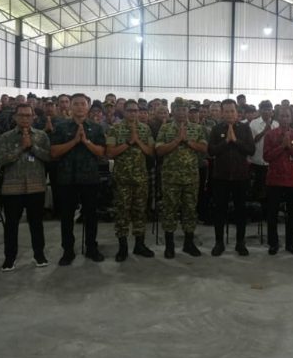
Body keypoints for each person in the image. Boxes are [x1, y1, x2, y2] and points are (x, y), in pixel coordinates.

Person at [51, 93, 107, 265]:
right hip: (67, 178)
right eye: (76, 104)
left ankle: (91, 247)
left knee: (91, 216)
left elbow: (101, 152)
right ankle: (68, 250)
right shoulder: (61, 127)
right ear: (70, 106)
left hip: (90, 178)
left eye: (83, 104)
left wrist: (86, 142)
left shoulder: (96, 128)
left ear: (88, 107)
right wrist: (75, 141)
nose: (80, 107)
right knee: (67, 217)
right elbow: (54, 152)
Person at [0, 103, 51, 271]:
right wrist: (21, 148)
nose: (25, 118)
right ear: (15, 117)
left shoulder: (41, 136)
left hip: (36, 186)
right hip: (12, 188)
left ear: (33, 117)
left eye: (28, 115)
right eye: (21, 115)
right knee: (11, 225)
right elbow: (0, 159)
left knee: (36, 223)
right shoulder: (6, 137)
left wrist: (32, 147)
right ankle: (9, 258)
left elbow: (48, 157)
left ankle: (39, 255)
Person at [156, 98, 207, 258]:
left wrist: (187, 141)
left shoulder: (197, 128)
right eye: (178, 109)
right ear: (173, 111)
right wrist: (177, 140)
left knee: (190, 210)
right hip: (170, 177)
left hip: (191, 177)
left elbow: (204, 148)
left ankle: (188, 243)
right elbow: (159, 150)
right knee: (169, 210)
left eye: (184, 109)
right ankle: (169, 245)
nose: (182, 113)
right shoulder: (165, 128)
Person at [106, 100, 155, 261]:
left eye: (136, 110)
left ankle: (139, 245)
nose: (133, 113)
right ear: (124, 112)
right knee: (122, 213)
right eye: (130, 110)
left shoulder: (145, 129)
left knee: (140, 212)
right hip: (122, 179)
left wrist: (137, 140)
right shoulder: (115, 129)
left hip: (141, 178)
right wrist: (129, 142)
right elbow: (110, 153)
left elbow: (150, 151)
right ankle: (123, 248)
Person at [208, 99, 255, 256]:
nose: (229, 114)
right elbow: (211, 151)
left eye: (232, 111)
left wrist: (235, 141)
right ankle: (219, 242)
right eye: (226, 111)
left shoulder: (245, 128)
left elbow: (251, 150)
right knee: (219, 211)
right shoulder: (216, 129)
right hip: (220, 177)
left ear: (237, 113)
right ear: (222, 113)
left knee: (240, 211)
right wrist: (226, 141)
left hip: (240, 177)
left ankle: (240, 243)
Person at [263, 106, 293, 256]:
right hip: (274, 180)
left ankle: (291, 244)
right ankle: (273, 244)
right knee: (272, 214)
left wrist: (290, 148)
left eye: (287, 116)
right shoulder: (270, 134)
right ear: (277, 117)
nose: (285, 119)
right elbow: (266, 156)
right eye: (282, 116)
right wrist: (282, 146)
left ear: (291, 118)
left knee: (292, 215)